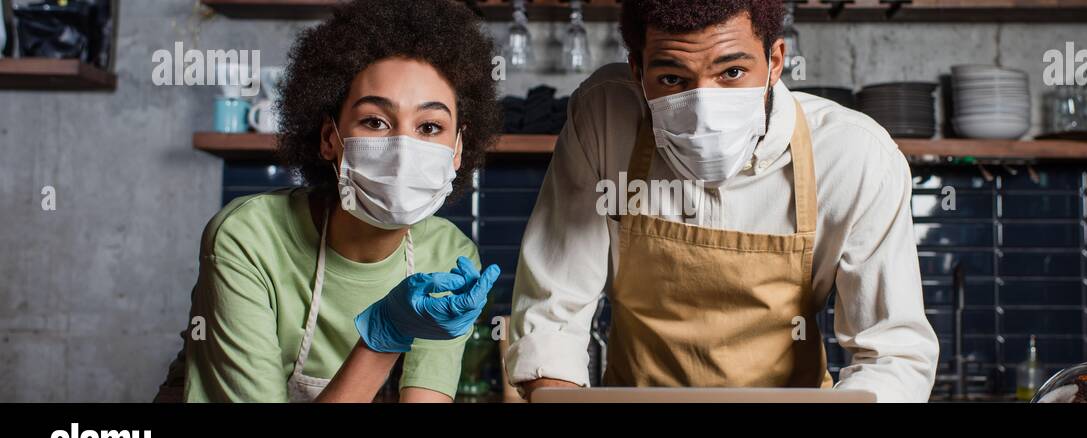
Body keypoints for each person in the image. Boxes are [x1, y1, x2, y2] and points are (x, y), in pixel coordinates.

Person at [506, 0, 939, 402]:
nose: (704, 114)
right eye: (673, 79)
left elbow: (892, 354)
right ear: (638, 72)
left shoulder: (853, 154)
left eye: (731, 72)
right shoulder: (605, 117)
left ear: (774, 62)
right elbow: (552, 315)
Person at [154, 0, 500, 403]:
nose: (403, 149)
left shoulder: (449, 256)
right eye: (375, 121)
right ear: (329, 138)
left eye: (429, 126)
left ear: (457, 150)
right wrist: (384, 333)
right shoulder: (247, 240)